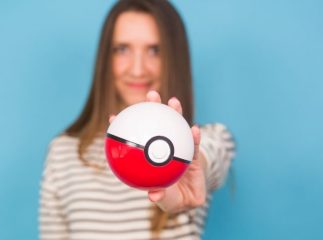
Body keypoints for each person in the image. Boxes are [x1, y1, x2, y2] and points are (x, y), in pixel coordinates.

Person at [39, 0, 235, 239]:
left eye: (155, 50)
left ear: (174, 58)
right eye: (122, 49)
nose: (138, 69)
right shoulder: (63, 152)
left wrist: (186, 161)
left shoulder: (202, 141)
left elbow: (211, 154)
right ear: (105, 58)